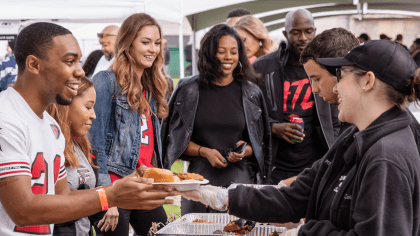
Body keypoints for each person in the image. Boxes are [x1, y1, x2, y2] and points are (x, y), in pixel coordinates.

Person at [181, 40, 420, 236]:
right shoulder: (355, 135)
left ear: (367, 81)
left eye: (342, 76)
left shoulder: (386, 156)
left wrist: (304, 232)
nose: (336, 88)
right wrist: (225, 196)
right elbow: (300, 194)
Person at [0, 22, 176, 236]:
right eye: (69, 61)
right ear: (34, 65)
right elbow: (22, 211)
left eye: (79, 61)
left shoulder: (51, 125)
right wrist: (109, 196)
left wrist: (114, 191)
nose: (81, 71)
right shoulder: (6, 117)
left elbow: (63, 198)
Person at [161, 23, 272, 215]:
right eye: (221, 51)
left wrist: (244, 151)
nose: (228, 57)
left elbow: (261, 143)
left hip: (239, 180)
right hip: (198, 181)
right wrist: (205, 152)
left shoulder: (252, 92)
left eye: (234, 52)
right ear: (210, 53)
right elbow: (174, 141)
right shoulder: (187, 89)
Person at [89, 13, 171, 236]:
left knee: (168, 231)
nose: (153, 49)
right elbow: (95, 148)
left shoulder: (152, 86)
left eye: (156, 43)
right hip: (116, 189)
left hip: (144, 186)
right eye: (145, 42)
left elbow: (147, 146)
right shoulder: (105, 82)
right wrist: (108, 197)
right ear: (127, 43)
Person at [253, 9, 341, 184]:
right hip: (273, 166)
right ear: (286, 34)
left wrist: (333, 154)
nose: (303, 38)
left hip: (314, 165)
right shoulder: (263, 68)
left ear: (315, 32)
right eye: (296, 32)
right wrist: (273, 127)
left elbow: (336, 119)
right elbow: (247, 115)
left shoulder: (327, 67)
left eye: (308, 31)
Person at [47, 77, 106, 235]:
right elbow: (48, 209)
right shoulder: (46, 147)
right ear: (65, 105)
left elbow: (90, 211)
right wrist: (103, 196)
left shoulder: (83, 146)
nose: (94, 115)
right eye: (88, 107)